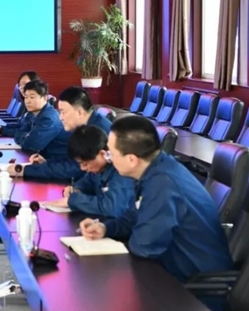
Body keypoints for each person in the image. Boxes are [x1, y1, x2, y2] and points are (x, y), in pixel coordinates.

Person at [79, 115, 233, 284]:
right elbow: (135, 215)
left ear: (131, 159)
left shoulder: (163, 183)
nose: (109, 159)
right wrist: (106, 228)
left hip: (194, 285)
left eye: (111, 154)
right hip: (171, 272)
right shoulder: (156, 168)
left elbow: (144, 246)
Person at [16, 86, 112, 182]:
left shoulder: (96, 131)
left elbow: (75, 169)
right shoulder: (86, 126)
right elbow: (72, 161)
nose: (60, 117)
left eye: (63, 112)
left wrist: (24, 170)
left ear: (79, 112)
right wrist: (47, 162)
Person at [47, 125, 136, 218]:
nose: (82, 168)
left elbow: (112, 207)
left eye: (85, 164)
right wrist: (76, 190)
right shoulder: (97, 170)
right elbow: (87, 182)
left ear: (102, 154)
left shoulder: (122, 170)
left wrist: (74, 201)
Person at [0, 70, 38, 137]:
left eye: (24, 84)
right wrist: (2, 127)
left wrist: (1, 130)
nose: (21, 88)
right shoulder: (26, 105)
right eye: (20, 85)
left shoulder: (37, 108)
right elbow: (20, 126)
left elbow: (26, 133)